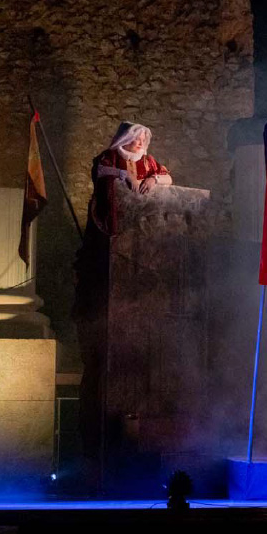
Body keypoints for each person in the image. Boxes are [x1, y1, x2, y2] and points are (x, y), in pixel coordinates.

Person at [72, 122, 173, 489]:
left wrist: (153, 182)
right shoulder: (110, 158)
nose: (143, 143)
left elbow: (167, 177)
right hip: (112, 249)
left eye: (147, 138)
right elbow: (101, 172)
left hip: (145, 250)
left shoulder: (150, 164)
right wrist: (124, 179)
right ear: (127, 139)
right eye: (138, 138)